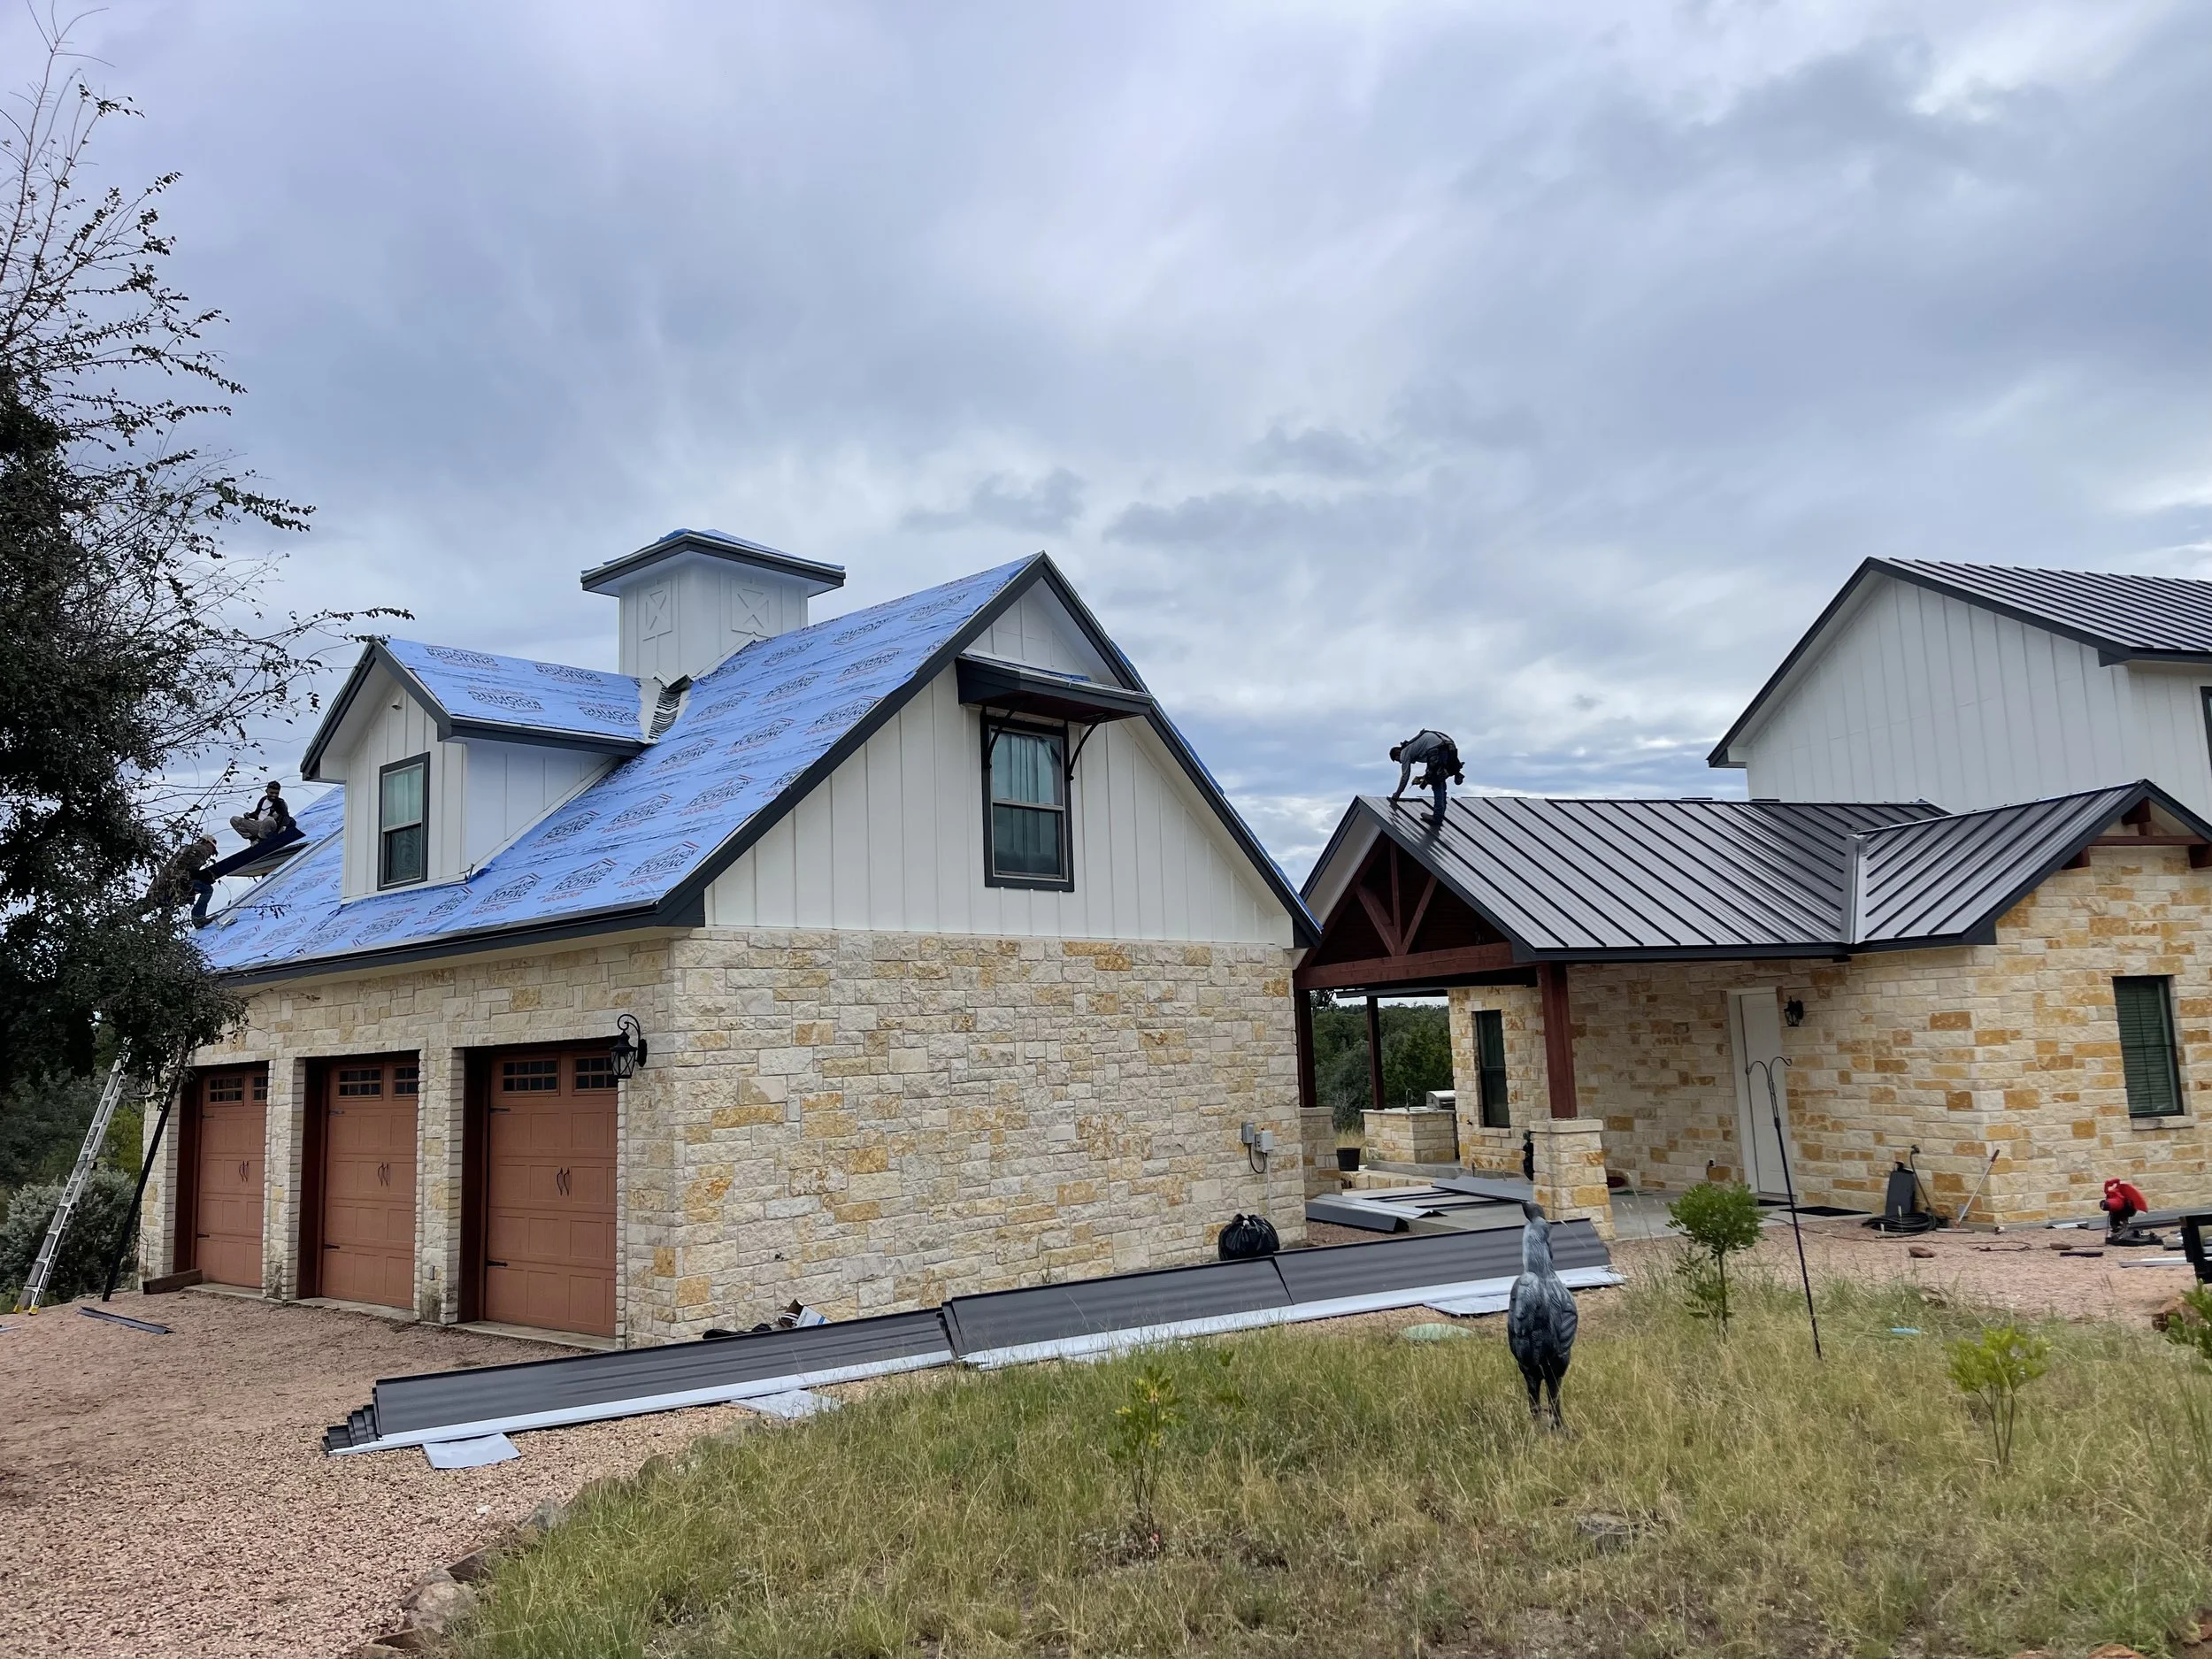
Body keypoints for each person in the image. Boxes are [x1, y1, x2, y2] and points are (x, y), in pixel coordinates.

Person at [142, 834, 219, 925]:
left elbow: (183, 868)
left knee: (150, 905)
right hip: (175, 884)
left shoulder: (188, 848)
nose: (211, 853)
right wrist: (203, 877)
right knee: (207, 890)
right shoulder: (200, 850)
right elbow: (190, 871)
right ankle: (197, 918)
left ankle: (125, 917)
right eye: (211, 848)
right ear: (205, 842)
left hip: (162, 884)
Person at [1388, 729, 1464, 820]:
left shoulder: (1404, 752)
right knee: (1439, 779)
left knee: (1436, 783)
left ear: (1398, 753)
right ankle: (1456, 771)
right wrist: (1424, 778)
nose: (1400, 762)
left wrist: (1397, 795)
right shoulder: (1416, 746)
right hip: (1448, 744)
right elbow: (1432, 768)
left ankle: (1437, 817)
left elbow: (1405, 777)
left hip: (1437, 747)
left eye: (1398, 760)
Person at [230, 780, 296, 845]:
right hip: (258, 825)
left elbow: (286, 817)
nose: (274, 795)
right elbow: (257, 813)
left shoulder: (280, 803)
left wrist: (283, 827)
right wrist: (249, 815)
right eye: (272, 793)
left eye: (276, 793)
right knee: (234, 820)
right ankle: (253, 839)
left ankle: (259, 840)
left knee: (269, 820)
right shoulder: (263, 799)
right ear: (267, 791)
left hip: (270, 827)